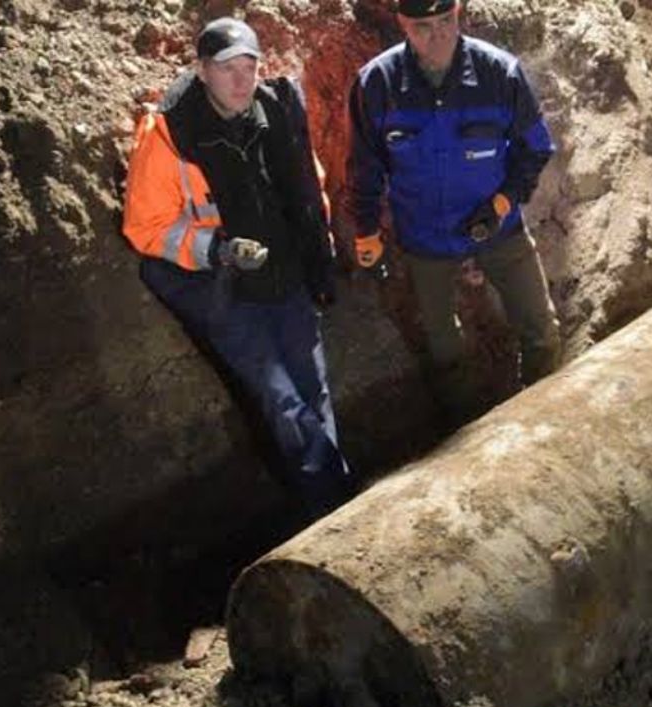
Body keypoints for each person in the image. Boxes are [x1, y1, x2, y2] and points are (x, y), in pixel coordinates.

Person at [123, 17, 356, 520]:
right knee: (282, 402)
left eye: (248, 66)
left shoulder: (275, 112)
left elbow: (307, 189)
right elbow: (146, 227)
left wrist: (317, 263)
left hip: (285, 277)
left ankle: (335, 508)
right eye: (227, 68)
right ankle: (332, 505)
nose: (240, 79)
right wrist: (216, 249)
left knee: (313, 391)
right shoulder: (169, 137)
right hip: (226, 291)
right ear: (203, 71)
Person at [346, 0, 561, 427]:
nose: (438, 34)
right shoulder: (377, 84)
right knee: (445, 349)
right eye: (423, 26)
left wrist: (500, 205)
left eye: (446, 20)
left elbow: (536, 149)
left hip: (498, 225)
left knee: (542, 331)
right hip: (425, 236)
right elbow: (365, 168)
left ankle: (543, 424)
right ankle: (466, 434)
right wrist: (367, 231)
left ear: (459, 12)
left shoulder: (500, 74)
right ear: (402, 23)